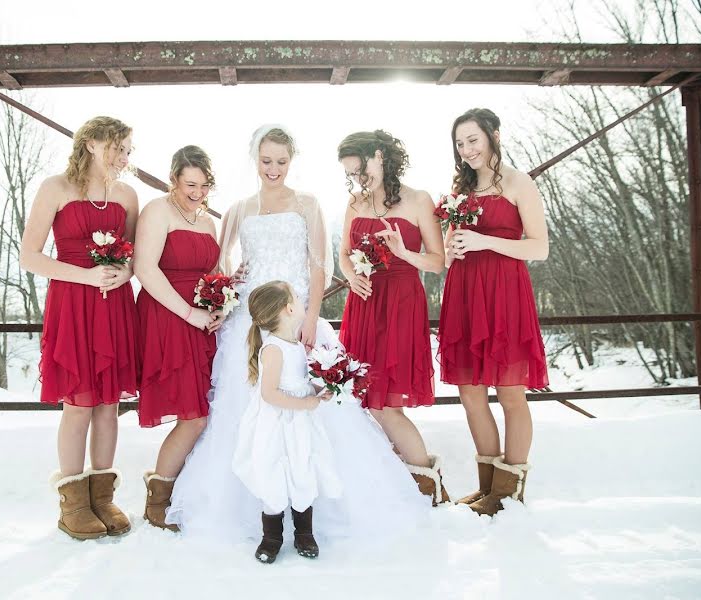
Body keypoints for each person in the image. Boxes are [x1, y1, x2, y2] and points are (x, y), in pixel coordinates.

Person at [168, 125, 428, 541]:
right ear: (255, 160)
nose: (274, 169)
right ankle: (256, 508)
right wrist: (229, 283)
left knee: (318, 410)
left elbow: (319, 264)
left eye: (282, 162)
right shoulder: (238, 208)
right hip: (250, 324)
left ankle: (315, 509)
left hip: (299, 318)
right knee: (245, 411)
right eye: (267, 161)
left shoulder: (307, 203)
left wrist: (310, 317)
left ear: (292, 161)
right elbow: (218, 264)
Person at [20, 116, 138, 539]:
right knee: (80, 403)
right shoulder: (56, 188)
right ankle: (72, 503)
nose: (123, 157)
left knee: (109, 405)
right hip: (72, 303)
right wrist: (86, 276)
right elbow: (29, 257)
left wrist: (122, 276)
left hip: (114, 305)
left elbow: (131, 256)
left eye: (128, 150)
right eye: (116, 148)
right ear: (90, 144)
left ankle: (103, 497)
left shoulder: (127, 194)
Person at [439, 108, 549, 515]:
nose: (466, 149)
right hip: (466, 294)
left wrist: (486, 243)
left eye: (473, 139)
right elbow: (450, 251)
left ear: (493, 136)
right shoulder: (459, 190)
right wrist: (453, 249)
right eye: (460, 142)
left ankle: (510, 492)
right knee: (470, 394)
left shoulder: (519, 183)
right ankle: (489, 489)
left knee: (510, 394)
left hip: (505, 294)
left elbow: (540, 247)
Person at [337, 129, 450, 506]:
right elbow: (342, 254)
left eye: (362, 170)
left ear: (381, 157)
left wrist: (402, 252)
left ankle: (429, 488)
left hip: (401, 303)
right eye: (352, 174)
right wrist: (351, 277)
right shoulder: (355, 202)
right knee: (365, 398)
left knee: (387, 404)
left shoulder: (418, 200)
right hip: (364, 304)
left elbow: (437, 262)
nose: (359, 180)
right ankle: (399, 485)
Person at [133, 145, 222, 530]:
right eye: (190, 184)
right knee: (193, 417)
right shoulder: (157, 211)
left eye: (204, 185)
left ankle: (185, 494)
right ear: (173, 179)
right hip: (169, 316)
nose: (197, 193)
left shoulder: (207, 221)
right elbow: (145, 270)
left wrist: (221, 303)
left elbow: (214, 270)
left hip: (204, 321)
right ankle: (158, 501)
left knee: (207, 412)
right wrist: (190, 314)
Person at [233, 281, 341, 563]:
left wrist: (318, 390)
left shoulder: (295, 345)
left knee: (303, 468)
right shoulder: (274, 349)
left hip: (300, 425)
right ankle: (272, 537)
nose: (302, 301)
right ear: (288, 309)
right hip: (278, 424)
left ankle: (305, 533)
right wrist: (306, 403)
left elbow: (299, 382)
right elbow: (269, 394)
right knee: (274, 470)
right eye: (297, 297)